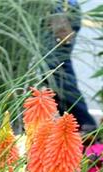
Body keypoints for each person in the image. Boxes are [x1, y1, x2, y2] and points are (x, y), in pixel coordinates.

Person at [45, 0, 98, 136]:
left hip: (58, 12)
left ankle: (84, 126)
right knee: (52, 72)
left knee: (57, 70)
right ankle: (72, 127)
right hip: (57, 11)